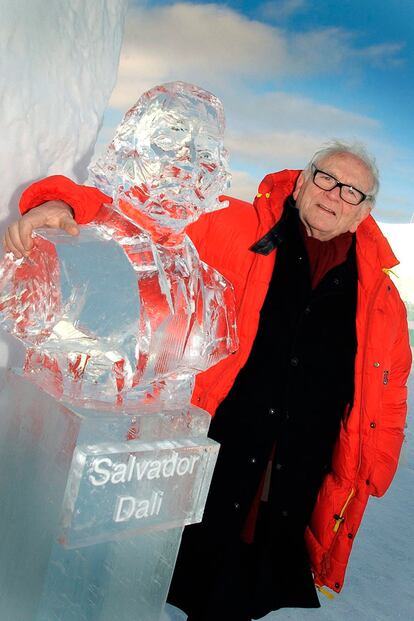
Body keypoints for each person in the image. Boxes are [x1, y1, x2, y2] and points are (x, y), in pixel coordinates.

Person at [4, 126, 411, 619]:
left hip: (294, 475)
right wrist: (63, 206)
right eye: (326, 179)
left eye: (351, 191)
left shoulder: (380, 298)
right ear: (303, 182)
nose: (334, 196)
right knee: (177, 574)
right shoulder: (240, 226)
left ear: (364, 211)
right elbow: (142, 216)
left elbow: (387, 390)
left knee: (246, 588)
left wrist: (376, 465)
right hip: (219, 452)